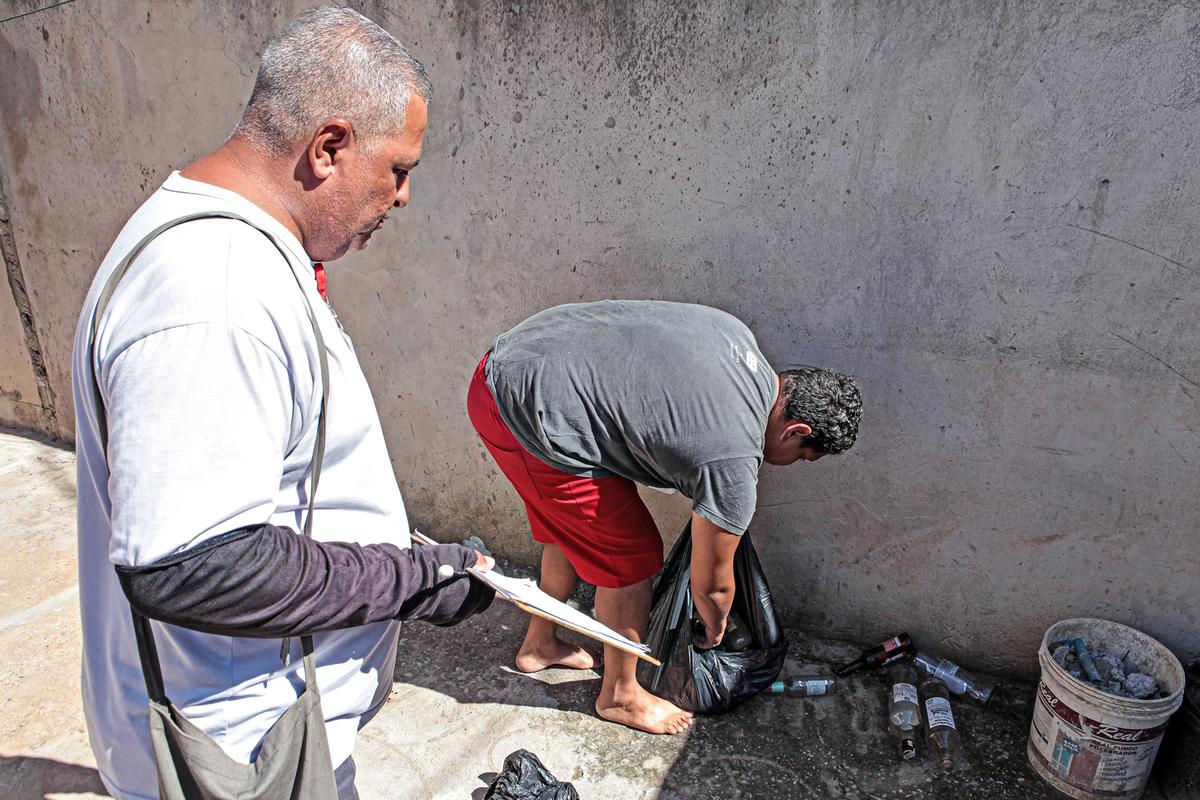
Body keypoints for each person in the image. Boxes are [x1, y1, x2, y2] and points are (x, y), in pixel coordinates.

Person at [70, 8, 493, 799]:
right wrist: (409, 579)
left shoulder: (233, 253)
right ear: (328, 147)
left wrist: (410, 562)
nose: (402, 198)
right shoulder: (215, 289)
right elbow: (194, 563)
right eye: (397, 169)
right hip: (237, 748)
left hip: (263, 730)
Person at [467, 300, 862, 735]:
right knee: (629, 559)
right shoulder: (732, 459)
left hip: (517, 366)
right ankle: (619, 696)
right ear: (796, 431)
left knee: (570, 532)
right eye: (802, 457)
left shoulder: (736, 336)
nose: (791, 464)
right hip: (521, 405)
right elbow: (711, 585)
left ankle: (539, 646)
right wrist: (714, 630)